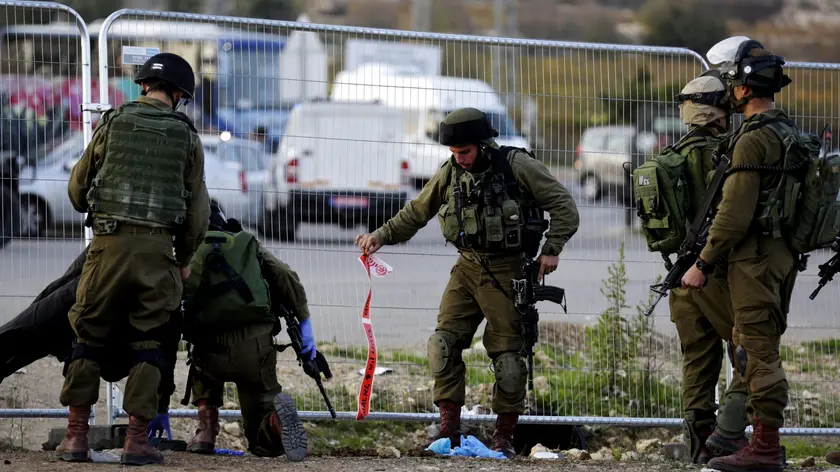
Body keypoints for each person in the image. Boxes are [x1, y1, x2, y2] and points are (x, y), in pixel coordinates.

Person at [355, 107, 580, 457]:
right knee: (442, 344)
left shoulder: (516, 166)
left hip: (507, 270)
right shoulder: (451, 172)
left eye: (464, 152)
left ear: (482, 144)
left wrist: (552, 249)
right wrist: (381, 235)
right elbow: (418, 211)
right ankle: (449, 431)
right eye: (454, 153)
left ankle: (504, 437)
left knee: (508, 357)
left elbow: (565, 205)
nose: (459, 160)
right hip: (467, 267)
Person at [56, 52, 211, 465]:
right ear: (179, 94)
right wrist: (183, 259)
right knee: (150, 344)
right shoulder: (187, 137)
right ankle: (137, 443)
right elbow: (198, 215)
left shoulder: (113, 122)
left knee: (87, 337)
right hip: (158, 255)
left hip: (107, 248)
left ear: (143, 85)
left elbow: (76, 191)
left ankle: (75, 438)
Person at [682, 37, 796, 472]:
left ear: (744, 88)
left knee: (755, 351)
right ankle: (756, 441)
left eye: (729, 83)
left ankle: (764, 448)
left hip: (754, 259)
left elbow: (732, 217)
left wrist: (702, 263)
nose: (726, 90)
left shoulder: (751, 142)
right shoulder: (788, 133)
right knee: (760, 345)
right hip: (782, 255)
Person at [177, 203, 312, 461]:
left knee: (199, 364)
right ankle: (274, 422)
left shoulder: (190, 250)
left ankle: (206, 432)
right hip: (256, 350)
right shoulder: (248, 245)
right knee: (264, 447)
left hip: (210, 353)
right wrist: (304, 321)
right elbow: (285, 275)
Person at [664, 71, 750, 464]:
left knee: (697, 362)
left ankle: (698, 449)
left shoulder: (668, 157)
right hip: (718, 271)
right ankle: (729, 436)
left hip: (678, 276)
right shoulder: (730, 153)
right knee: (752, 352)